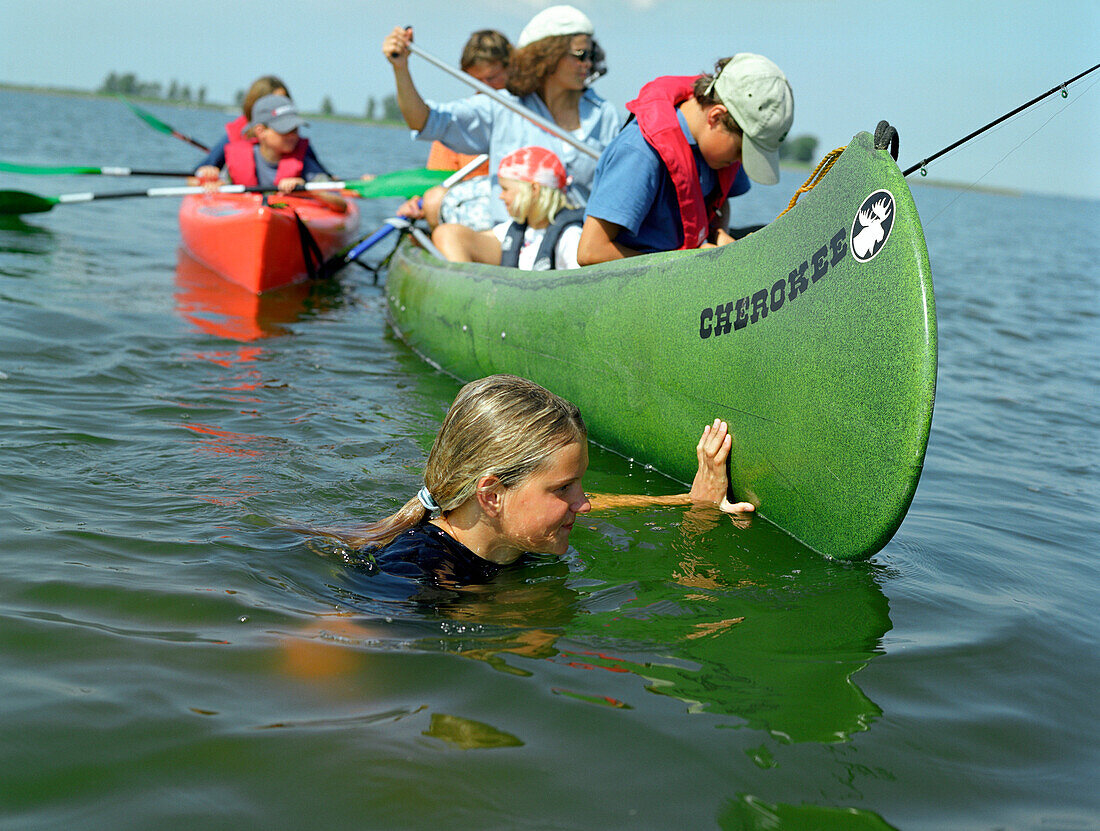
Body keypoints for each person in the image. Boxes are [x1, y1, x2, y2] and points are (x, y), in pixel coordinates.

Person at [328, 374, 754, 586]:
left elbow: (600, 503)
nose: (583, 504)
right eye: (564, 488)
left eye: (578, 484)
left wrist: (693, 503)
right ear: (492, 494)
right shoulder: (417, 574)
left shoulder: (512, 523)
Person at [381, 4, 620, 230]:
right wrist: (400, 68)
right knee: (441, 215)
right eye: (580, 54)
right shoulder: (503, 105)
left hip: (574, 237)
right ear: (548, 55)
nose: (587, 63)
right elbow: (424, 121)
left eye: (591, 54)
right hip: (509, 240)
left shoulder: (604, 114)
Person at [577, 54, 793, 266]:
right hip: (644, 282)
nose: (742, 161)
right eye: (741, 151)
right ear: (716, 117)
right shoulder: (639, 153)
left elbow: (721, 201)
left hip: (691, 257)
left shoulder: (720, 152)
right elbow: (591, 251)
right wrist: (686, 266)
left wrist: (719, 233)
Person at [397, 30, 513, 231]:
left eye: (492, 78)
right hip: (471, 218)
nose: (484, 89)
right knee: (434, 201)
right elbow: (438, 181)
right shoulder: (465, 119)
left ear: (511, 68)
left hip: (515, 207)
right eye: (476, 81)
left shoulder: (532, 110)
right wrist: (417, 201)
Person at [432, 146, 584, 270]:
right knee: (444, 233)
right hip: (517, 302)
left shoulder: (570, 236)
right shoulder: (518, 230)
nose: (501, 196)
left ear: (534, 190)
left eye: (505, 189)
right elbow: (450, 235)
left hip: (544, 305)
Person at [202, 93, 346, 211]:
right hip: (247, 219)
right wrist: (216, 186)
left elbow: (341, 204)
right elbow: (222, 186)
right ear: (261, 131)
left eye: (295, 129)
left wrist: (305, 189)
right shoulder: (237, 159)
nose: (293, 135)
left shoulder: (304, 163)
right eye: (284, 130)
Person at [192, 76, 332, 180]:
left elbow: (323, 178)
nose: (280, 105)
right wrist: (209, 178)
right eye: (273, 100)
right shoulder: (234, 138)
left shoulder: (293, 141)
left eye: (284, 100)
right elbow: (196, 176)